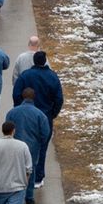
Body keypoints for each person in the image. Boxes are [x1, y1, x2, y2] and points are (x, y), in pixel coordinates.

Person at [11, 51, 63, 183]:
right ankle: (38, 177)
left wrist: (19, 108)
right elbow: (58, 98)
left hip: (25, 116)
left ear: (34, 61)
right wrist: (53, 113)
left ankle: (24, 173)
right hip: (45, 115)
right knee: (42, 146)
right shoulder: (52, 77)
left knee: (23, 144)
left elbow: (16, 93)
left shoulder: (25, 76)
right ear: (45, 61)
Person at [5, 87, 52, 204]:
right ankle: (29, 197)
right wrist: (40, 143)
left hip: (14, 146)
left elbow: (7, 129)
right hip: (32, 147)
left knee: (14, 170)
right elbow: (45, 133)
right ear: (34, 98)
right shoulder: (40, 115)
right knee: (30, 171)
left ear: (22, 97)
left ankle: (14, 194)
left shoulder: (12, 112)